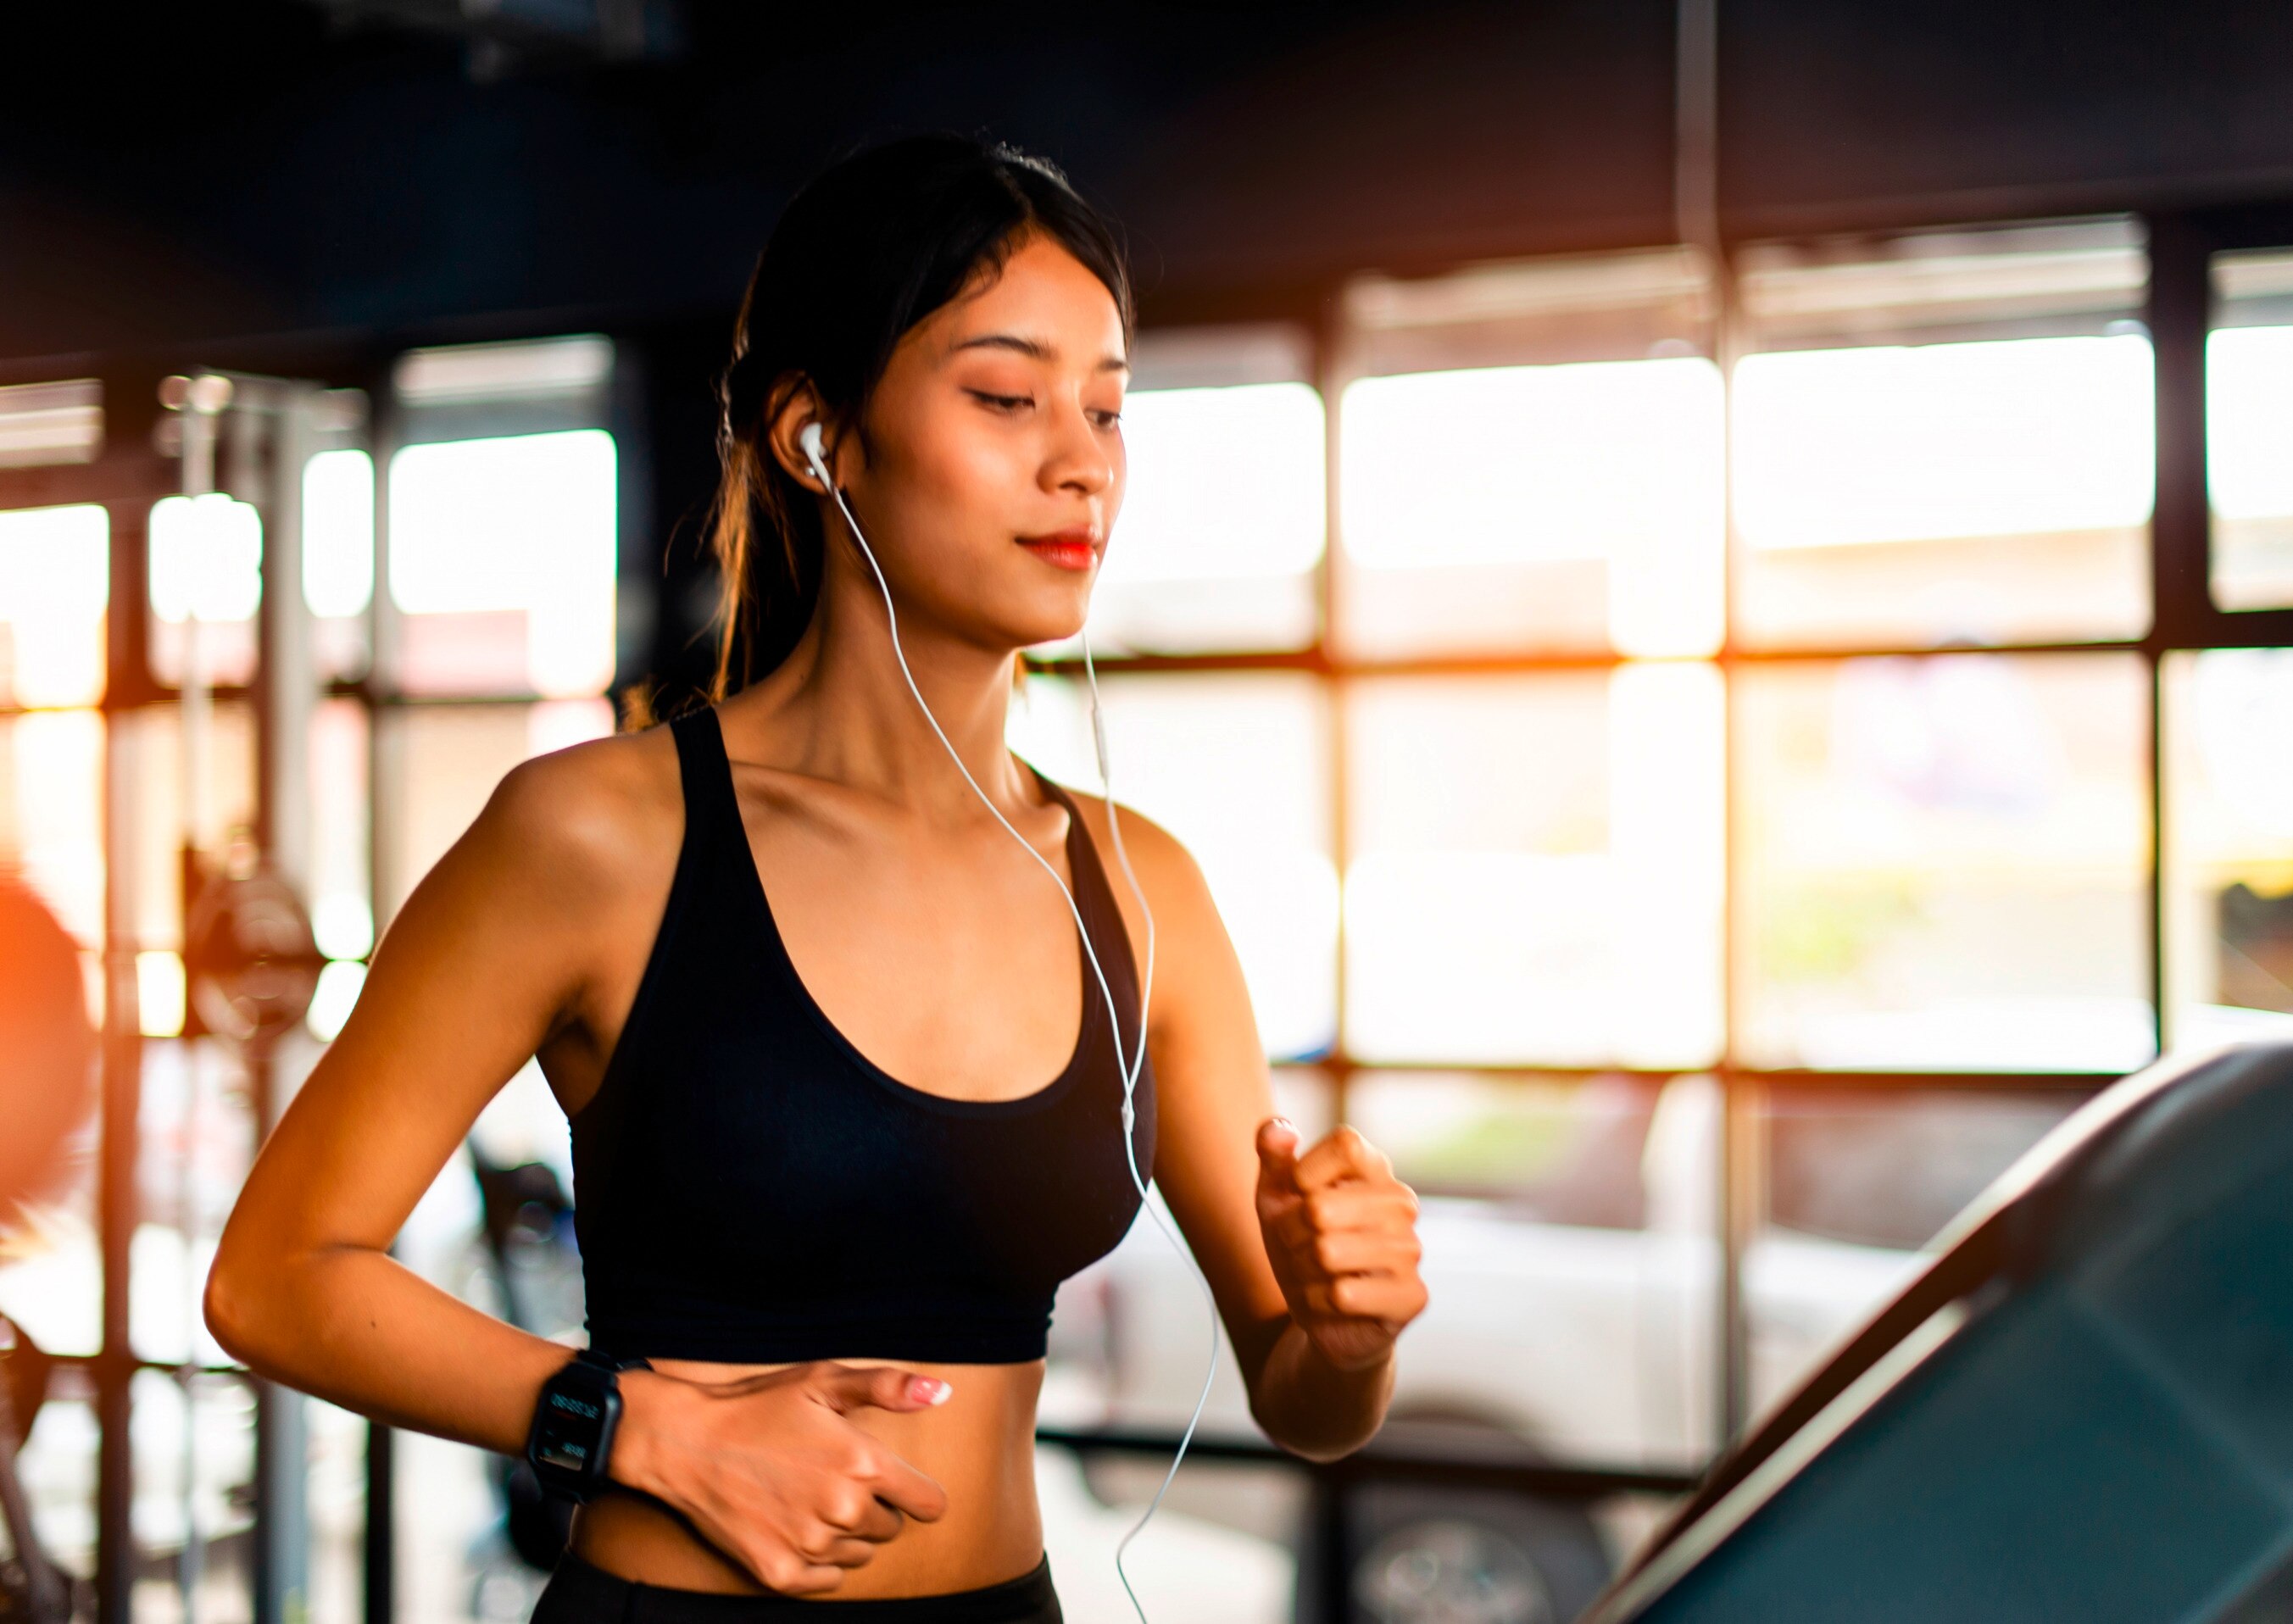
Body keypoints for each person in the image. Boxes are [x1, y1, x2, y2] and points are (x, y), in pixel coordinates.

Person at [204, 135, 1428, 1620]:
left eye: (1108, 407)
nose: (1080, 458)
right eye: (1003, 395)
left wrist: (1350, 1331)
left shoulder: (1137, 885)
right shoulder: (597, 836)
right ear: (815, 436)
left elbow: (1305, 1400)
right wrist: (646, 1430)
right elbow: (275, 1276)